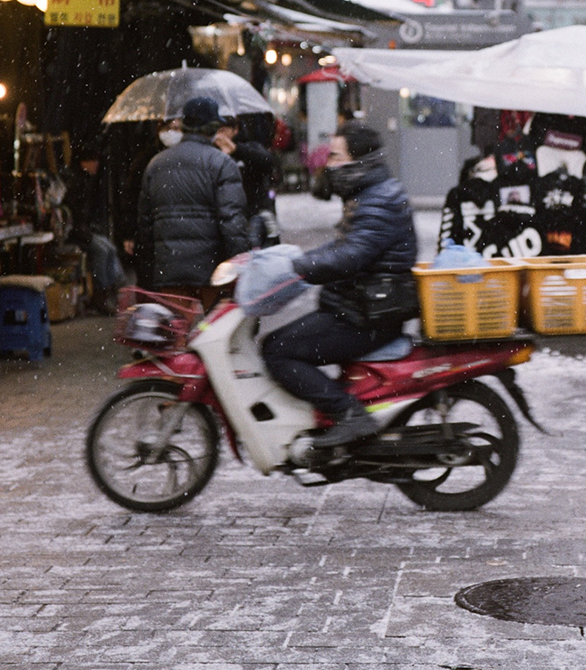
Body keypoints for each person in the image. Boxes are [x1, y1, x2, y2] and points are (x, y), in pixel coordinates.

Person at [261, 123, 419, 447]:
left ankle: (350, 415)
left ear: (359, 161)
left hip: (368, 316)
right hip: (359, 307)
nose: (327, 164)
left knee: (277, 350)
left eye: (335, 156)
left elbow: (351, 256)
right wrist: (290, 261)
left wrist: (297, 268)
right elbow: (341, 248)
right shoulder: (369, 193)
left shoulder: (380, 200)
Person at [135, 96, 252, 299]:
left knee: (178, 325)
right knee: (206, 328)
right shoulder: (223, 164)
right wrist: (240, 263)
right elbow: (232, 221)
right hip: (210, 271)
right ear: (213, 127)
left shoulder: (156, 164)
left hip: (168, 269)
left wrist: (150, 267)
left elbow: (145, 224)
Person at [64, 142, 127, 314]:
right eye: (93, 161)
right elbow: (74, 216)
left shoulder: (85, 181)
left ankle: (110, 289)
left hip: (83, 230)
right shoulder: (77, 183)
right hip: (78, 233)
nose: (96, 165)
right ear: (84, 162)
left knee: (108, 247)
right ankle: (103, 292)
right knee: (102, 250)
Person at [216, 114, 279, 245]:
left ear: (235, 129)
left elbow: (267, 161)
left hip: (252, 212)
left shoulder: (249, 147)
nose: (220, 135)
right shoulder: (211, 152)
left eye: (224, 130)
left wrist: (236, 150)